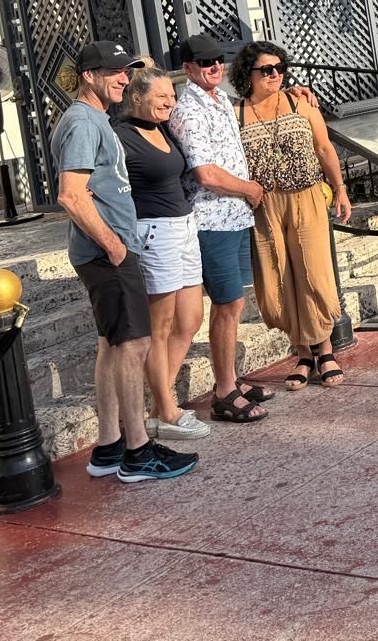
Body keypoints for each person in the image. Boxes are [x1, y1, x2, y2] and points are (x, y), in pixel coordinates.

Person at [52, 40, 197, 483]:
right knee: (134, 345)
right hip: (106, 251)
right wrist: (114, 245)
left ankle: (110, 444)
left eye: (126, 71)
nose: (123, 78)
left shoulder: (93, 119)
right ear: (88, 75)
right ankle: (137, 450)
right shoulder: (82, 123)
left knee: (113, 345)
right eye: (114, 71)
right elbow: (71, 195)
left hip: (108, 248)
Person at [230, 40, 354, 389]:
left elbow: (324, 147)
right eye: (266, 70)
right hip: (265, 205)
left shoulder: (300, 102)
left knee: (313, 271)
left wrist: (340, 188)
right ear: (248, 74)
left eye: (280, 69)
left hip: (306, 196)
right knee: (278, 277)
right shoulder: (235, 111)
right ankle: (302, 353)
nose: (275, 75)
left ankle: (325, 350)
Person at [167, 35, 274, 425]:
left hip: (235, 216)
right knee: (227, 303)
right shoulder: (189, 110)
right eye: (204, 61)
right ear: (188, 68)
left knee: (234, 303)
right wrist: (249, 189)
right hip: (212, 219)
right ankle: (225, 391)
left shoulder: (221, 100)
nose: (214, 66)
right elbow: (205, 173)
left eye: (218, 60)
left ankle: (228, 379)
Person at [113, 67, 210, 442]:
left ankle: (159, 404)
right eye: (162, 96)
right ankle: (167, 411)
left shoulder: (164, 128)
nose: (170, 102)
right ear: (136, 97)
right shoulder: (121, 136)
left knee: (190, 318)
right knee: (161, 325)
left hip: (184, 227)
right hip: (153, 231)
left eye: (172, 95)